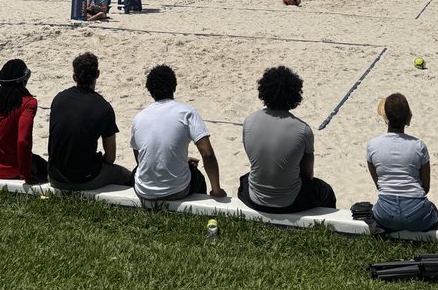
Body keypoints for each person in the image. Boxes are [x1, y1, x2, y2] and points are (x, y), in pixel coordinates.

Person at [238, 66, 336, 214]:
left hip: (254, 198)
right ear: (295, 95)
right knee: (326, 191)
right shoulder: (303, 129)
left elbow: (254, 158)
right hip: (288, 201)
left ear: (264, 91)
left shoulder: (249, 121)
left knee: (245, 178)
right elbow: (308, 173)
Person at [130, 64, 226, 203]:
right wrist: (217, 190)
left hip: (144, 191)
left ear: (150, 91)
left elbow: (140, 156)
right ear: (174, 87)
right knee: (198, 177)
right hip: (177, 191)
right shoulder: (187, 112)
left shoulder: (138, 118)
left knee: (135, 171)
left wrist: (181, 159)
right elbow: (207, 153)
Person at [48, 52, 133, 189]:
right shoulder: (104, 108)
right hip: (83, 179)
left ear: (74, 77)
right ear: (97, 74)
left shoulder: (58, 99)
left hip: (54, 175)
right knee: (125, 175)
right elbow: (111, 157)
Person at [364, 93, 438, 232]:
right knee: (433, 209)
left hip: (385, 213)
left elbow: (379, 185)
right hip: (417, 214)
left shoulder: (372, 145)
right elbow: (425, 187)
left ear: (386, 118)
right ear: (408, 117)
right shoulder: (419, 146)